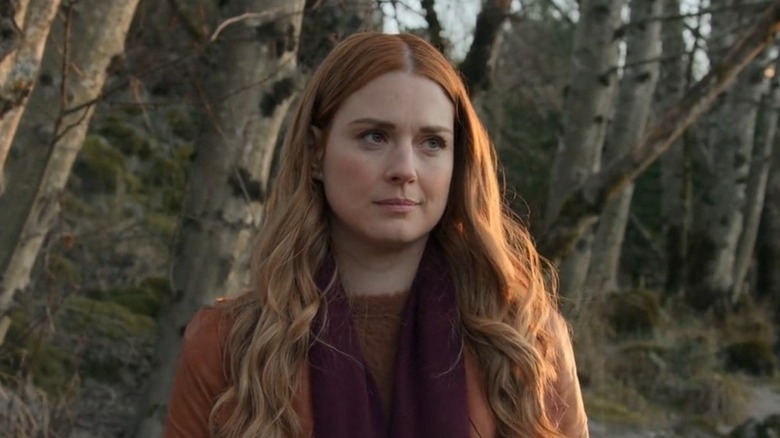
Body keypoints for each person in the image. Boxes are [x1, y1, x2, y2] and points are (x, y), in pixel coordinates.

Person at [164, 32, 589, 438]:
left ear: (457, 162)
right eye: (375, 136)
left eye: (432, 143)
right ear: (316, 153)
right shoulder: (228, 344)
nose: (404, 168)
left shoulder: (525, 340)